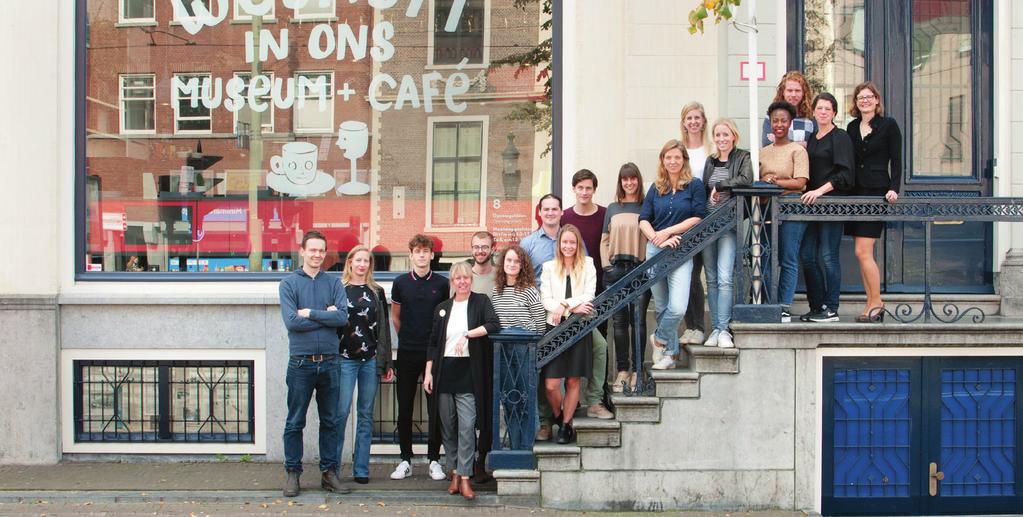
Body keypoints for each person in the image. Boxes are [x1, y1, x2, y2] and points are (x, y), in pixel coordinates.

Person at [278, 231, 350, 497]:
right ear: (302, 251)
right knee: (295, 421)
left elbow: (342, 318)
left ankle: (329, 474)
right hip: (301, 364)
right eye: (313, 250)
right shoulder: (288, 284)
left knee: (331, 421)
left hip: (331, 363)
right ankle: (293, 473)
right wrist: (325, 316)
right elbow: (291, 323)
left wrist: (309, 313)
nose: (318, 255)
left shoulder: (333, 284)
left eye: (322, 251)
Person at [421, 262, 499, 500]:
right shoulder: (442, 308)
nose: (462, 282)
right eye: (458, 278)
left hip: (469, 373)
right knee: (448, 427)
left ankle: (465, 477)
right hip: (444, 372)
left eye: (466, 277)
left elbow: (493, 325)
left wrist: (468, 333)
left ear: (471, 280)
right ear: (452, 282)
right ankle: (454, 473)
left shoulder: (481, 302)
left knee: (467, 427)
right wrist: (428, 372)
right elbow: (433, 343)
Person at [639, 140, 706, 370]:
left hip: (680, 248)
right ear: (662, 160)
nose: (673, 161)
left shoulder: (694, 185)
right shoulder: (656, 187)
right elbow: (644, 219)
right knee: (662, 305)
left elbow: (698, 216)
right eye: (668, 157)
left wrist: (668, 232)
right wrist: (656, 236)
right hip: (655, 250)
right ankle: (671, 356)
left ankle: (658, 338)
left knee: (677, 307)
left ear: (684, 160)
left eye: (677, 157)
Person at [389, 234, 449, 481]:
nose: (422, 255)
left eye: (426, 251)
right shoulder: (401, 282)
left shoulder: (442, 283)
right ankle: (405, 459)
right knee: (404, 408)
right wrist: (408, 338)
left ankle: (434, 460)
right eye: (418, 251)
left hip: (434, 353)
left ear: (432, 255)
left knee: (434, 407)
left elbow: (444, 319)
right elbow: (395, 317)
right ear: (411, 255)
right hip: (407, 351)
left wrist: (433, 348)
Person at [846, 81, 902, 323]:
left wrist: (894, 188)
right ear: (856, 102)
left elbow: (897, 160)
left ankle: (877, 302)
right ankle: (871, 302)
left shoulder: (888, 125)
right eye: (861, 97)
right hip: (855, 193)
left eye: (869, 97)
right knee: (861, 253)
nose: (865, 100)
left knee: (862, 250)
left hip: (876, 192)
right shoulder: (851, 127)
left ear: (877, 101)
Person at [337, 245, 393, 485]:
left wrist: (386, 362)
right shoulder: (338, 289)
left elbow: (384, 329)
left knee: (365, 415)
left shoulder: (377, 291)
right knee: (339, 414)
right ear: (350, 262)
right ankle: (333, 468)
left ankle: (361, 468)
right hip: (344, 360)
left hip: (369, 360)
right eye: (358, 260)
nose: (362, 265)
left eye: (366, 261)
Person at [560, 169, 613, 420]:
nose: (584, 192)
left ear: (594, 190)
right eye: (580, 188)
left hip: (598, 290)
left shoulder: (604, 214)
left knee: (598, 345)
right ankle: (568, 402)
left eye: (588, 188)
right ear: (574, 189)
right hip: (568, 295)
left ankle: (596, 398)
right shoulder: (565, 217)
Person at [800, 92, 855, 323]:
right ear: (813, 112)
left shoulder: (839, 137)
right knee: (807, 255)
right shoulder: (812, 138)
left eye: (828, 109)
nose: (823, 112)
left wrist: (820, 191)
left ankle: (831, 308)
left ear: (834, 113)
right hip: (811, 207)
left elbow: (846, 174)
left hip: (831, 204)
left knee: (829, 256)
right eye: (819, 108)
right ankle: (817, 305)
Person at [540, 224, 597, 443]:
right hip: (554, 328)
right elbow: (545, 298)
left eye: (572, 242)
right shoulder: (548, 267)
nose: (568, 246)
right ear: (559, 244)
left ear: (578, 244)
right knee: (551, 384)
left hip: (578, 327)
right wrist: (569, 307)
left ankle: (565, 426)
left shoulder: (588, 265)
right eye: (565, 242)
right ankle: (558, 415)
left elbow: (589, 295)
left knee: (573, 380)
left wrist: (563, 305)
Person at [701, 118, 754, 347]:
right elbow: (703, 188)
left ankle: (724, 329)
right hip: (708, 226)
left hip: (728, 225)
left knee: (724, 278)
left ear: (734, 136)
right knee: (711, 280)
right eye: (718, 135)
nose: (721, 139)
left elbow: (746, 180)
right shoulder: (710, 161)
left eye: (725, 134)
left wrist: (720, 186)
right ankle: (715, 328)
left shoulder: (743, 156)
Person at [600, 163, 650, 392]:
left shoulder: (647, 206)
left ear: (638, 180)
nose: (629, 183)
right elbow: (604, 240)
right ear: (620, 182)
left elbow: (651, 237)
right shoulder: (612, 208)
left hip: (640, 269)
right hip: (616, 270)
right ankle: (623, 370)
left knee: (637, 322)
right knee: (619, 323)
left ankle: (638, 371)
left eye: (633, 179)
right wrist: (606, 267)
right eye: (624, 179)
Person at [491, 246, 547, 447]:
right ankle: (515, 444)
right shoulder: (496, 291)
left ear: (522, 265)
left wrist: (531, 343)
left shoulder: (530, 290)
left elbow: (540, 323)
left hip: (525, 349)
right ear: (503, 264)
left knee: (526, 397)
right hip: (503, 351)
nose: (512, 264)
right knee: (509, 398)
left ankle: (527, 446)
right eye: (509, 261)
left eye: (516, 261)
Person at [760, 101, 810, 322]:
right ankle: (769, 303)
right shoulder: (762, 152)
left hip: (791, 209)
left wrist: (774, 181)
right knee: (766, 256)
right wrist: (767, 182)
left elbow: (800, 183)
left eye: (783, 120)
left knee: (788, 257)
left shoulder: (797, 150)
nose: (779, 124)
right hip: (766, 210)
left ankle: (784, 306)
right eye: (775, 121)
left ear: (790, 123)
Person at [519, 193, 561, 441]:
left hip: (568, 311)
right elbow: (522, 280)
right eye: (546, 209)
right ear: (539, 212)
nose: (550, 213)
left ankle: (572, 414)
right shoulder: (529, 243)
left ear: (560, 212)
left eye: (554, 209)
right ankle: (545, 422)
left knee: (592, 352)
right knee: (542, 367)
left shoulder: (570, 239)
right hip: (539, 313)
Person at [679, 102, 712, 346]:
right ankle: (690, 326)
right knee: (686, 275)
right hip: (682, 218)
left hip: (706, 217)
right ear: (684, 122)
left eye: (697, 117)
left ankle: (699, 326)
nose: (693, 122)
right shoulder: (679, 150)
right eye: (689, 118)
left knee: (698, 273)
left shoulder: (710, 149)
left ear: (703, 121)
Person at [761, 71, 816, 147]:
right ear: (783, 92)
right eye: (789, 90)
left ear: (804, 93)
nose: (793, 95)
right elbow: (767, 144)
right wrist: (802, 144)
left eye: (797, 91)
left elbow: (813, 147)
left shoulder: (811, 118)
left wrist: (779, 141)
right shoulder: (771, 116)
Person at [468, 231, 496, 296]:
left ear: (492, 250)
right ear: (471, 250)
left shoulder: (501, 277)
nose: (480, 251)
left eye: (484, 247)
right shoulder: (464, 279)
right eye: (476, 247)